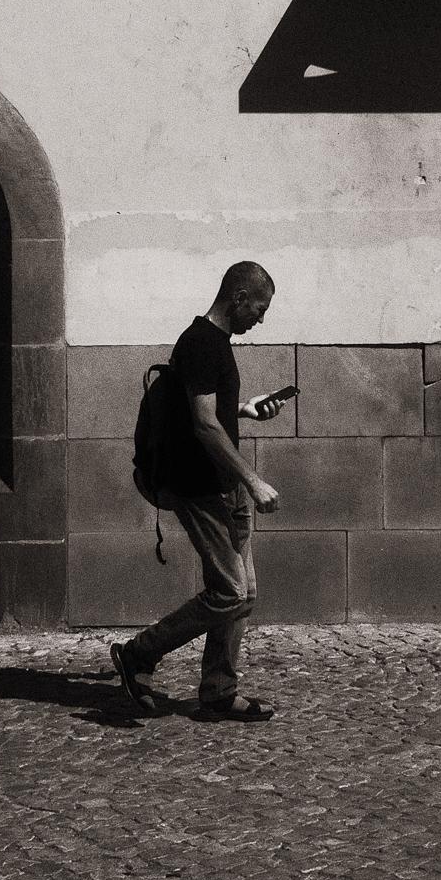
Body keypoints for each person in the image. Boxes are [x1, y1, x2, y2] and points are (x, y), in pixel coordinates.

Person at [110, 260, 289, 721]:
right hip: (202, 488)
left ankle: (218, 690)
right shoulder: (201, 343)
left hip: (224, 488)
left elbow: (213, 412)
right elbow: (205, 426)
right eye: (260, 308)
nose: (261, 319)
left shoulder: (214, 345)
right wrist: (253, 479)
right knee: (230, 591)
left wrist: (245, 410)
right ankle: (138, 655)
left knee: (243, 592)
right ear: (239, 299)